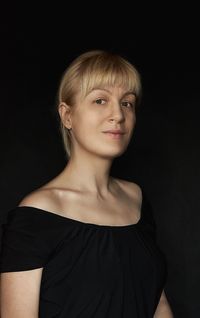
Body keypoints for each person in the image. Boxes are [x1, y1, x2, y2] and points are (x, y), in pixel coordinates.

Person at [0, 50, 173, 317]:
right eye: (100, 100)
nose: (118, 114)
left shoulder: (136, 199)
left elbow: (156, 303)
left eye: (127, 103)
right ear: (67, 116)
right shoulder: (37, 213)